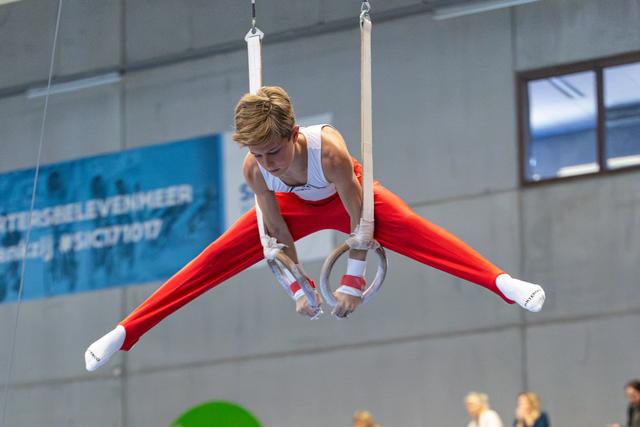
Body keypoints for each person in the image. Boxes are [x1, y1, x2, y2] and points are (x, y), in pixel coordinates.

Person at [84, 86, 546, 371]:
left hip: (350, 199)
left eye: (273, 152)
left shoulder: (330, 153)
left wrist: (352, 280)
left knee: (415, 230)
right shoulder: (256, 169)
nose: (266, 162)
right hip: (292, 209)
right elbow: (276, 235)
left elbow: (360, 220)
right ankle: (128, 330)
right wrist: (298, 287)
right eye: (258, 155)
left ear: (293, 135)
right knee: (214, 258)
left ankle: (503, 283)